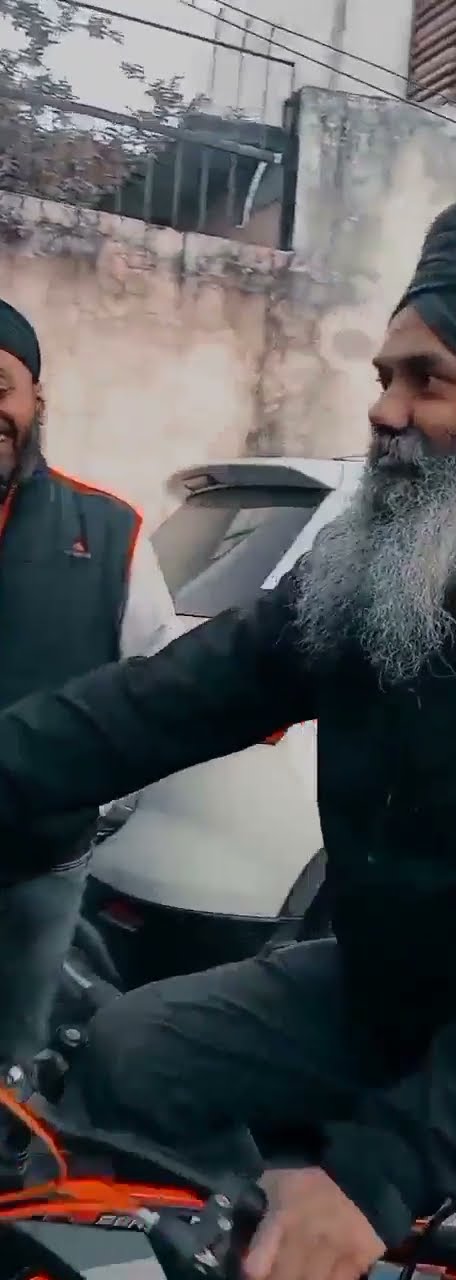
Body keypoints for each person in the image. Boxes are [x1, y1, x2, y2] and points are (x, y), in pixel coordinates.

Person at [0, 198, 456, 1280]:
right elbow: (154, 704)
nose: (385, 410)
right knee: (133, 1050)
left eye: (429, 380)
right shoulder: (369, 572)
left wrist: (375, 1178)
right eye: (383, 376)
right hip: (395, 991)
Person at [0, 297, 178, 1088]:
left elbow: (154, 685)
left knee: (15, 1057)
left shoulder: (110, 533)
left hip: (39, 871)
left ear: (35, 400)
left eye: (0, 387)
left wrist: (98, 805)